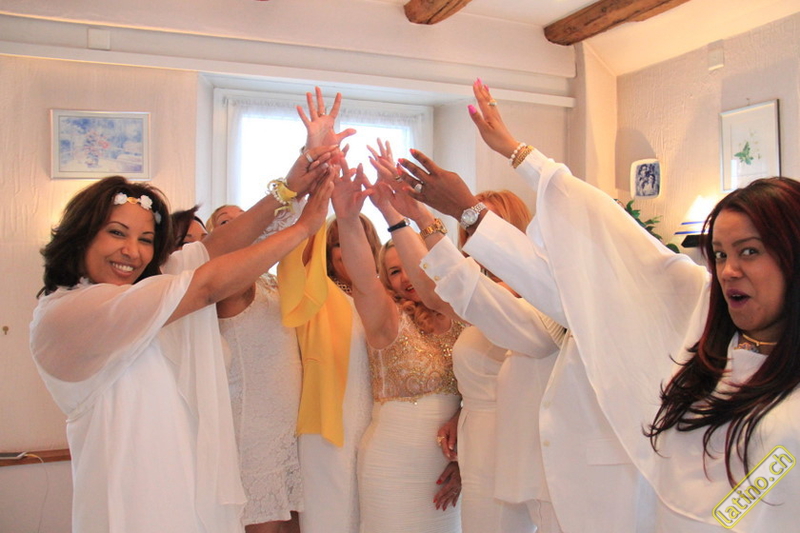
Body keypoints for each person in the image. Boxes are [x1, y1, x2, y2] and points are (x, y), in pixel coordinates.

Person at [400, 78, 800, 530]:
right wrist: (509, 160)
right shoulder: (704, 322)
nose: (729, 271)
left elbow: (752, 499)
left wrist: (508, 167)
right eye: (721, 255)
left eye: (750, 251)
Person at [29, 148, 334, 533]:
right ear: (81, 234)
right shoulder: (70, 312)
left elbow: (214, 248)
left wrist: (289, 187)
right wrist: (302, 228)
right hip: (133, 501)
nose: (132, 251)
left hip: (183, 489)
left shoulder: (137, 291)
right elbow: (206, 286)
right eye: (117, 233)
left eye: (145, 239)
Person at [368, 139, 563, 532]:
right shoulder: (475, 292)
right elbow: (432, 290)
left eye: (482, 222)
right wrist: (397, 216)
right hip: (476, 441)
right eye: (469, 225)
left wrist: (414, 217)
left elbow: (436, 292)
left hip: (515, 443)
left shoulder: (530, 293)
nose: (475, 233)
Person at [330, 158, 464, 533]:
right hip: (392, 466)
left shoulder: (461, 317)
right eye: (393, 271)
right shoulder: (388, 320)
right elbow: (362, 279)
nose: (406, 277)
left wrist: (465, 457)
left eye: (409, 263)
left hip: (449, 470)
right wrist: (348, 219)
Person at [275, 87, 372, 533]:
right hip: (328, 429)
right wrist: (317, 169)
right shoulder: (320, 295)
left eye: (358, 241)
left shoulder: (388, 301)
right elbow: (297, 249)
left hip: (380, 432)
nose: (347, 251)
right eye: (337, 245)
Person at [210, 200, 306, 533]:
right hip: (253, 427)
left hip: (289, 424)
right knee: (261, 524)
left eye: (247, 218)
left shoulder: (271, 280)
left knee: (293, 524)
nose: (243, 226)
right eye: (226, 223)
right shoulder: (226, 281)